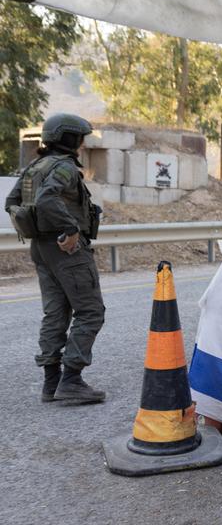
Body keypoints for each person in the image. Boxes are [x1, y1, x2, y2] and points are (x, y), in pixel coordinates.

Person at [5, 113, 106, 403]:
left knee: (56, 313)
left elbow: (11, 203)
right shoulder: (64, 169)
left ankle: (51, 383)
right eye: (80, 138)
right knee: (90, 311)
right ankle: (71, 379)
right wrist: (69, 228)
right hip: (67, 250)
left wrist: (36, 227)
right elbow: (48, 198)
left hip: (41, 249)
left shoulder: (34, 166)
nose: (83, 144)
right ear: (70, 139)